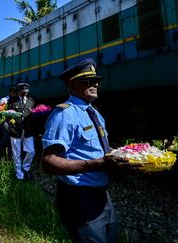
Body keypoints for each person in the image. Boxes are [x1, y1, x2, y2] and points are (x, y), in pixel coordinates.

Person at [41, 59, 141, 242]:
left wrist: (123, 154)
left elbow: (100, 148)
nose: (95, 84)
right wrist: (94, 164)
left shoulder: (95, 113)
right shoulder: (64, 114)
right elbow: (48, 162)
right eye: (88, 80)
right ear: (72, 84)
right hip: (79, 196)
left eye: (96, 80)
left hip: (101, 192)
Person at [7, 83, 35, 180]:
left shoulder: (31, 102)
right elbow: (6, 114)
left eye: (26, 92)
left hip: (27, 131)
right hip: (15, 131)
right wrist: (9, 121)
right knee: (16, 153)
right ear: (19, 91)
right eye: (23, 92)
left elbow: (33, 116)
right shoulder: (12, 101)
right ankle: (19, 174)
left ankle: (25, 167)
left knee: (31, 151)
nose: (24, 94)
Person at [0, 87, 17, 161]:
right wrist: (1, 121)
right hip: (4, 121)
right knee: (9, 135)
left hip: (10, 121)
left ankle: (10, 155)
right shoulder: (4, 100)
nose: (14, 94)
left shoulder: (14, 101)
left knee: (10, 137)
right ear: (10, 92)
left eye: (15, 93)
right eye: (13, 93)